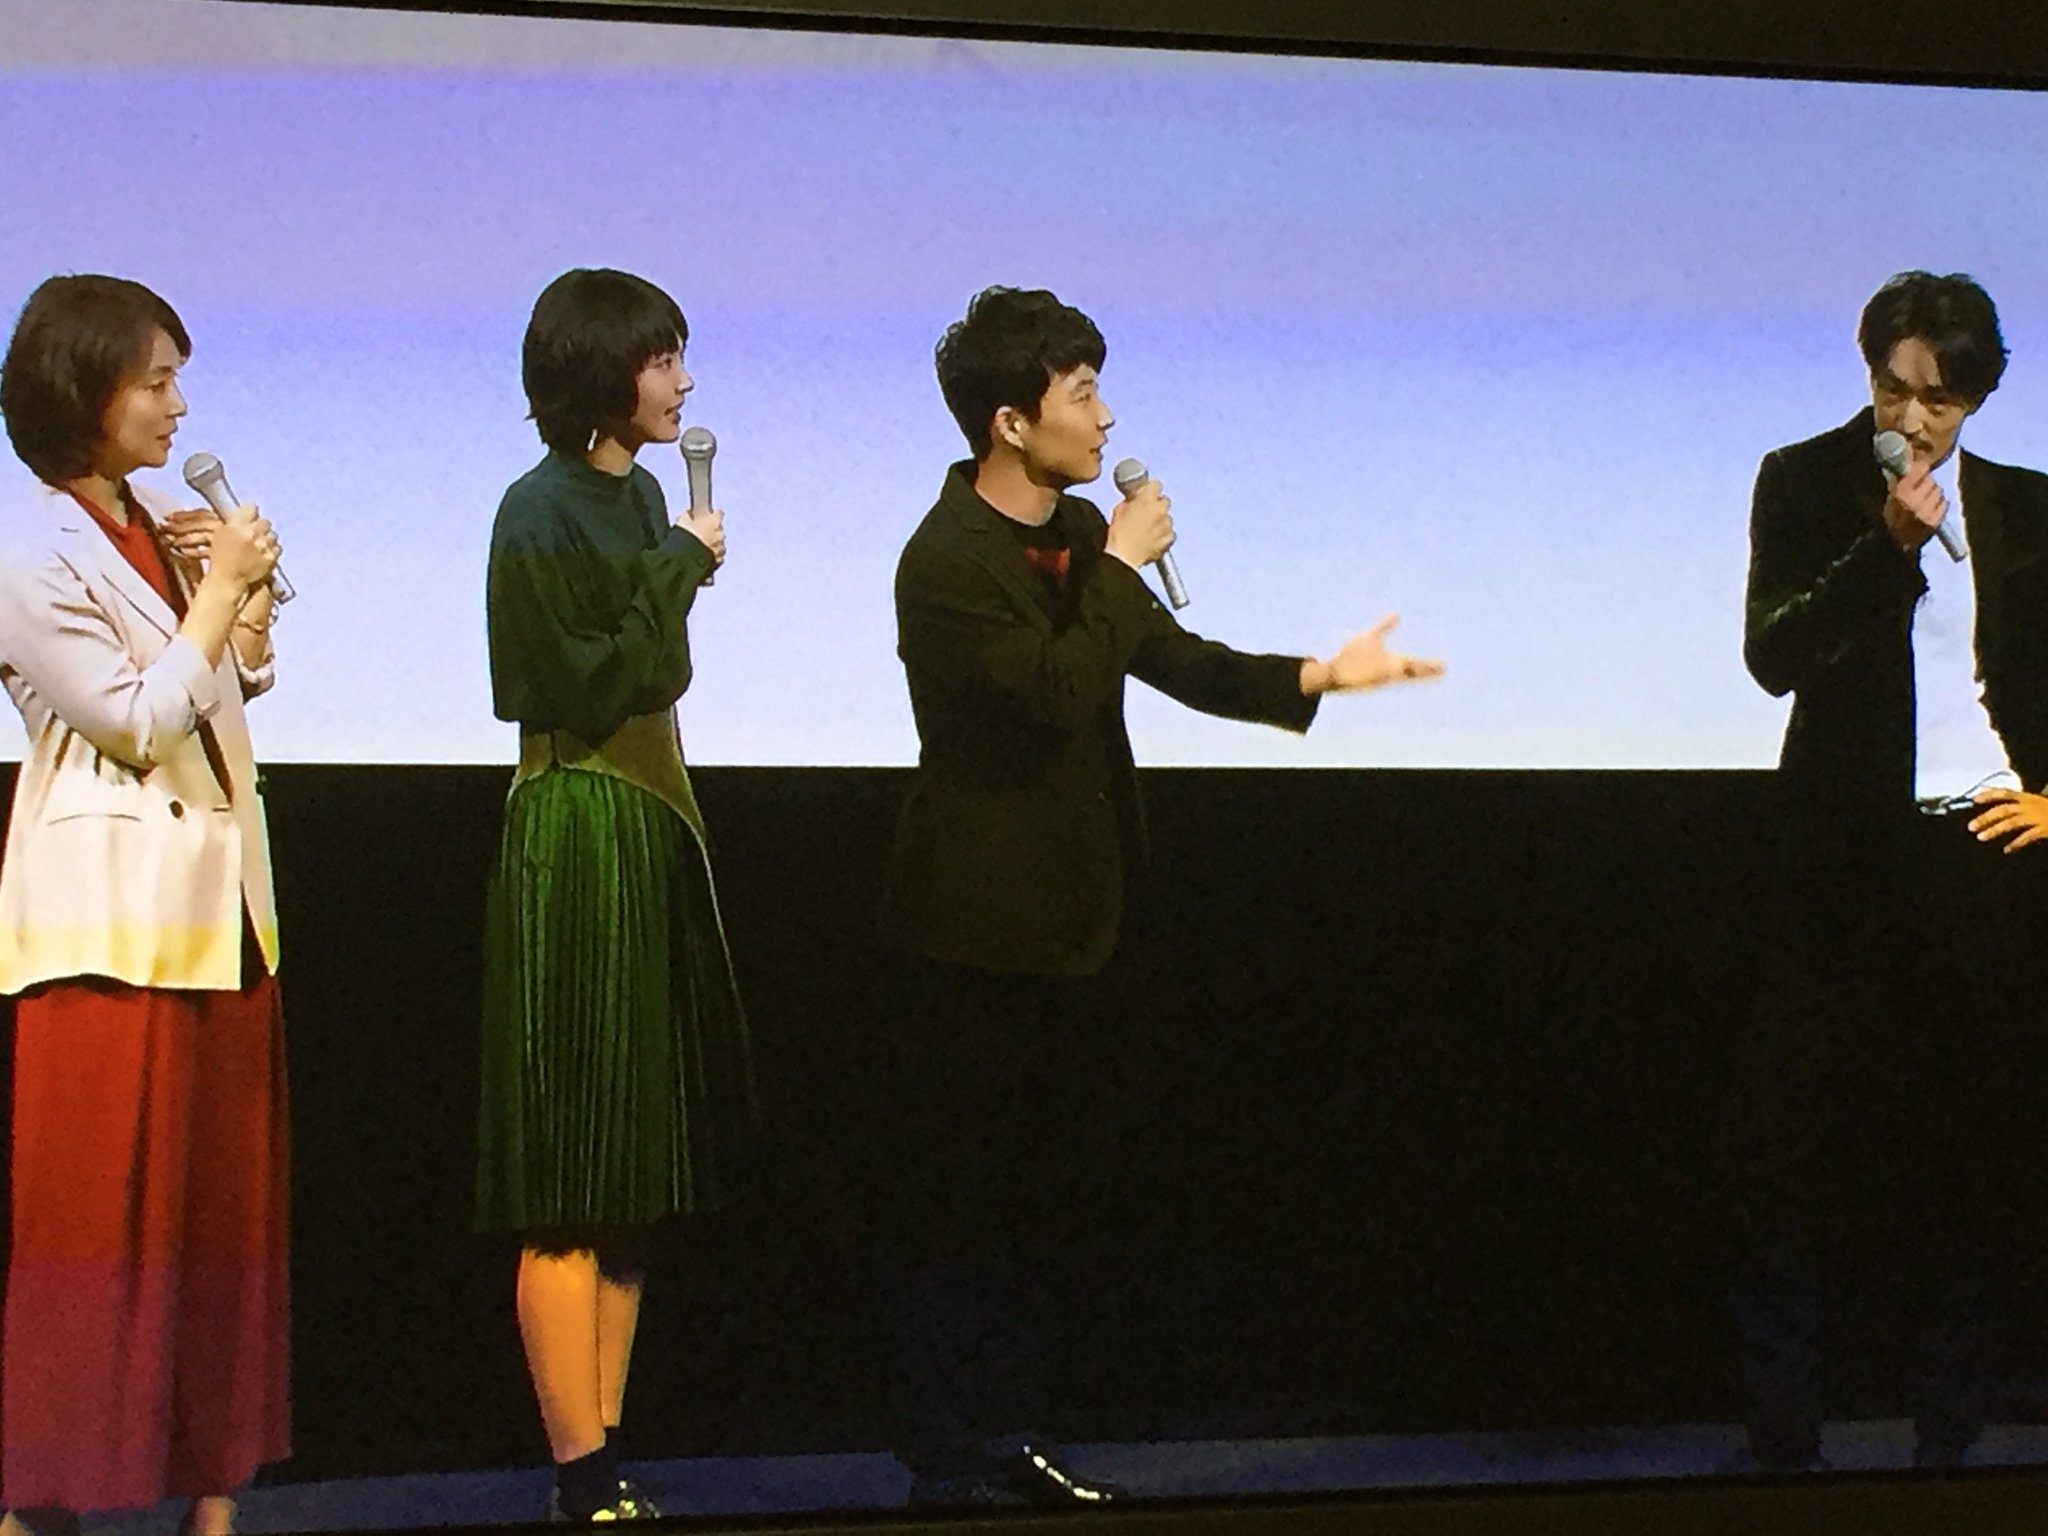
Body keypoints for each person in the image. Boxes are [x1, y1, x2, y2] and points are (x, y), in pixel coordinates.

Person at [877, 284, 1444, 1506]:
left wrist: (1318, 676)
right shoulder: (945, 560)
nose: (1105, 417)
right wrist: (1122, 563)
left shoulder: (1080, 538)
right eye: (1082, 394)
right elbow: (1054, 694)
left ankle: (1011, 1432)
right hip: (976, 927)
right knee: (963, 1201)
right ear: (1010, 422)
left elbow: (1169, 661)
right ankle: (948, 1449)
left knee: (1039, 1200)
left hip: (1076, 916)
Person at [1735, 270, 2048, 1472]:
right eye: (1890, 389)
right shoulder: (1802, 479)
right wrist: (1884, 549)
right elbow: (1772, 656)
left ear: (1974, 399)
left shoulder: (2024, 508)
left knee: (1968, 1155)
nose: (1910, 421)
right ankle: (1782, 1442)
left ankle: (1948, 1441)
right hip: (1836, 856)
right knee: (1792, 1152)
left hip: (1977, 855)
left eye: (1937, 400)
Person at [0, 275, 288, 1536]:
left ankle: (213, 1493)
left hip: (220, 908)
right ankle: (44, 1500)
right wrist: (217, 600)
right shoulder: (29, 549)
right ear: (84, 393)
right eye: (155, 382)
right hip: (108, 923)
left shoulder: (159, 522)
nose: (177, 407)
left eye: (179, 380)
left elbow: (218, 689)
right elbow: (129, 721)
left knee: (224, 1227)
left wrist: (245, 617)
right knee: (91, 1232)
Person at [479, 268, 757, 1523]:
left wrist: (669, 567)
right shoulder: (535, 510)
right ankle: (577, 1472)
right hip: (578, 823)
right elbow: (579, 683)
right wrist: (676, 568)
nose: (681, 383)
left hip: (648, 817)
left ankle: (608, 1462)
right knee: (571, 1180)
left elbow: (660, 666)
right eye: (659, 360)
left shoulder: (641, 495)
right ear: (600, 372)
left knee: (632, 1176)